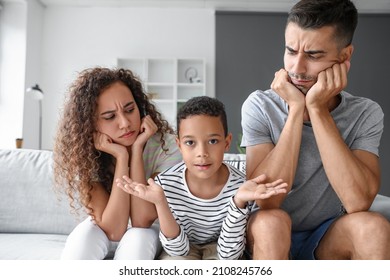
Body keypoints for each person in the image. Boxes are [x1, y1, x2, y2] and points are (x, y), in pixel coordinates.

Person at [241, 0, 390, 260]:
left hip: (328, 234)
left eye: (313, 55)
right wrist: (296, 110)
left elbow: (357, 203)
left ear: (344, 56)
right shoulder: (260, 105)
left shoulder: (366, 112)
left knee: (374, 227)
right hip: (271, 228)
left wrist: (318, 110)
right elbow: (266, 201)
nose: (297, 68)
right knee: (271, 222)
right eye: (290, 51)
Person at [116, 96, 287, 260]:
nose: (202, 153)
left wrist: (238, 202)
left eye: (212, 141)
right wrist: (161, 203)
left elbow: (229, 255)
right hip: (182, 248)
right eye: (190, 143)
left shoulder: (242, 187)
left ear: (227, 143)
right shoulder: (166, 185)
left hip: (220, 250)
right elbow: (178, 250)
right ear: (179, 145)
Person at [53, 67, 182, 259]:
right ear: (91, 124)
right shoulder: (85, 154)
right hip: (107, 226)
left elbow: (141, 220)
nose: (125, 123)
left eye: (130, 110)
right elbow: (112, 230)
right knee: (83, 238)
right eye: (110, 117)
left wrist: (136, 151)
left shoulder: (168, 146)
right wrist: (122, 157)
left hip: (149, 230)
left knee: (138, 239)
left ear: (141, 108)